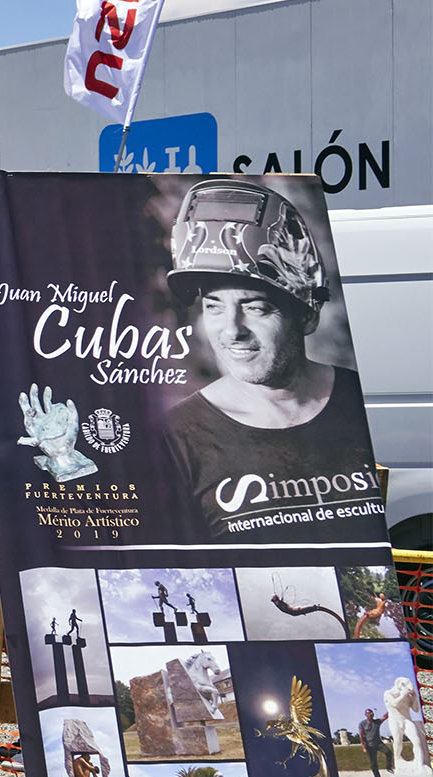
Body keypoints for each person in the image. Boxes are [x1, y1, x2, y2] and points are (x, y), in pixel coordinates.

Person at [161, 180, 383, 541]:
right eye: (213, 306)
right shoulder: (175, 439)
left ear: (308, 315)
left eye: (256, 307)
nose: (232, 331)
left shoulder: (363, 405)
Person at [359, 707, 387, 777]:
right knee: (374, 764)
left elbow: (384, 717)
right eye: (368, 713)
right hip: (369, 746)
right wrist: (363, 747)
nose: (370, 715)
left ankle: (389, 767)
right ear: (366, 715)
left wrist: (392, 708)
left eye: (371, 713)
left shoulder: (377, 722)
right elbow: (361, 736)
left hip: (378, 744)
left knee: (389, 752)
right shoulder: (362, 724)